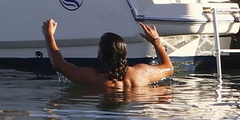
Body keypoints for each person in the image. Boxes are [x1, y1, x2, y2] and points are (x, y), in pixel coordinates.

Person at [41, 20, 174, 90]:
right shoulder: (140, 73)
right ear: (124, 54)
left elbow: (58, 65)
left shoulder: (94, 78)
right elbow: (168, 68)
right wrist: (156, 41)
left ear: (102, 56)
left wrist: (49, 35)